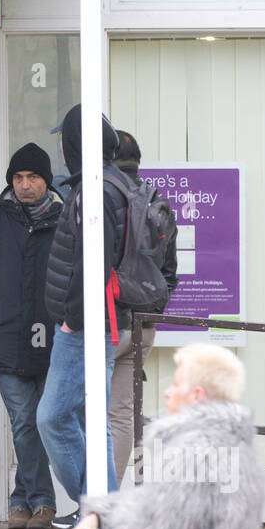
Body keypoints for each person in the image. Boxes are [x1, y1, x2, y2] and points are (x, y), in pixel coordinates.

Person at [66, 344, 265, 529]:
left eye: (176, 383)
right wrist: (101, 513)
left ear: (197, 396)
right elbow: (167, 509)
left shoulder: (197, 450)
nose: (167, 392)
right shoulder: (239, 446)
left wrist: (101, 520)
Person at [0, 143, 63, 529]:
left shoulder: (66, 219)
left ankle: (20, 498)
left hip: (56, 339)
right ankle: (43, 502)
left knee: (44, 421)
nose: (25, 185)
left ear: (46, 181)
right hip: (7, 339)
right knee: (24, 420)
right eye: (18, 178)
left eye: (32, 177)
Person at [37, 104, 127, 529]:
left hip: (86, 325)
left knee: (52, 417)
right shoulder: (106, 185)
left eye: (63, 138)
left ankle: (97, 512)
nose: (59, 146)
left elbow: (95, 261)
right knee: (92, 422)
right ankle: (102, 515)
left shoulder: (95, 190)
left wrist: (73, 320)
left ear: (75, 143)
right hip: (96, 321)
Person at [108, 130, 179, 481]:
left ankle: (88, 500)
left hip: (106, 324)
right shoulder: (158, 204)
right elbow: (169, 273)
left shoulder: (107, 199)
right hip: (141, 328)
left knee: (68, 411)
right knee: (121, 415)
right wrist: (150, 310)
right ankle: (105, 497)